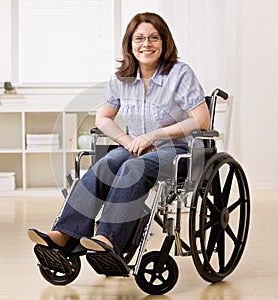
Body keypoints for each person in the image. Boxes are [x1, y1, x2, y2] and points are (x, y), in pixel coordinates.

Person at [28, 12, 210, 256]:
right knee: (106, 165)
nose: (146, 44)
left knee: (132, 169)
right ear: (130, 43)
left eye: (154, 38)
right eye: (140, 38)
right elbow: (102, 118)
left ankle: (108, 239)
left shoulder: (180, 73)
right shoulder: (122, 78)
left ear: (165, 42)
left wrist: (154, 136)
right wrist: (129, 141)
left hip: (175, 152)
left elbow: (202, 120)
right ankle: (66, 233)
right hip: (136, 148)